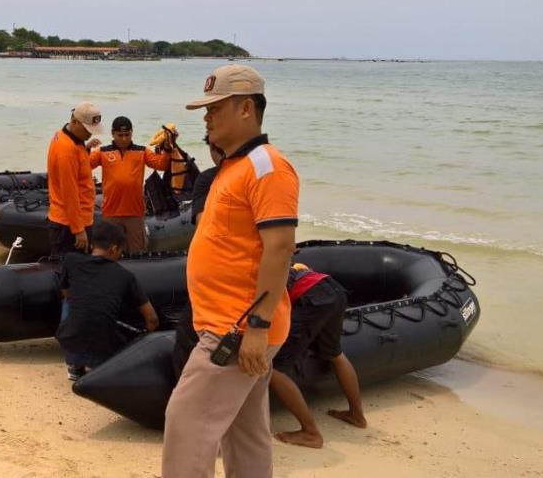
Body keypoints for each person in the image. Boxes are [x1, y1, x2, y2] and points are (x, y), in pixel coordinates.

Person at [162, 64, 299, 478]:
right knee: (246, 433)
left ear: (245, 109)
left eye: (214, 109)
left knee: (185, 425)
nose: (206, 118)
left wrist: (257, 326)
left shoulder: (267, 167)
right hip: (229, 323)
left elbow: (280, 247)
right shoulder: (234, 167)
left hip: (236, 329)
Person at [269, 263, 366, 448]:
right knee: (334, 353)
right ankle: (356, 415)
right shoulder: (284, 261)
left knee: (273, 367)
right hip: (331, 287)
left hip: (312, 298)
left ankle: (310, 432)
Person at [56, 220, 159, 380]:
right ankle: (110, 363)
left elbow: (66, 292)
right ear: (113, 249)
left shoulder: (71, 261)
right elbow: (152, 319)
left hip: (70, 341)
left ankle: (74, 364)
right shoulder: (125, 276)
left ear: (91, 245)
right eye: (121, 252)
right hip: (106, 353)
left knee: (69, 301)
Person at [88, 116, 171, 253]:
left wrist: (167, 149)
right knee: (108, 251)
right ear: (113, 134)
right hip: (111, 211)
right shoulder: (103, 152)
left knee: (137, 251)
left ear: (132, 133)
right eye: (120, 135)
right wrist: (85, 148)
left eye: (127, 134)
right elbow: (85, 165)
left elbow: (161, 165)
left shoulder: (142, 151)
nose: (124, 138)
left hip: (135, 212)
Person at [46, 101, 104, 256]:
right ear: (75, 121)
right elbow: (69, 193)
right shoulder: (67, 151)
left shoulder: (65, 135)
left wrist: (86, 148)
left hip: (73, 219)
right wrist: (78, 230)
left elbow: (74, 166)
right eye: (87, 129)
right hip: (69, 225)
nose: (90, 133)